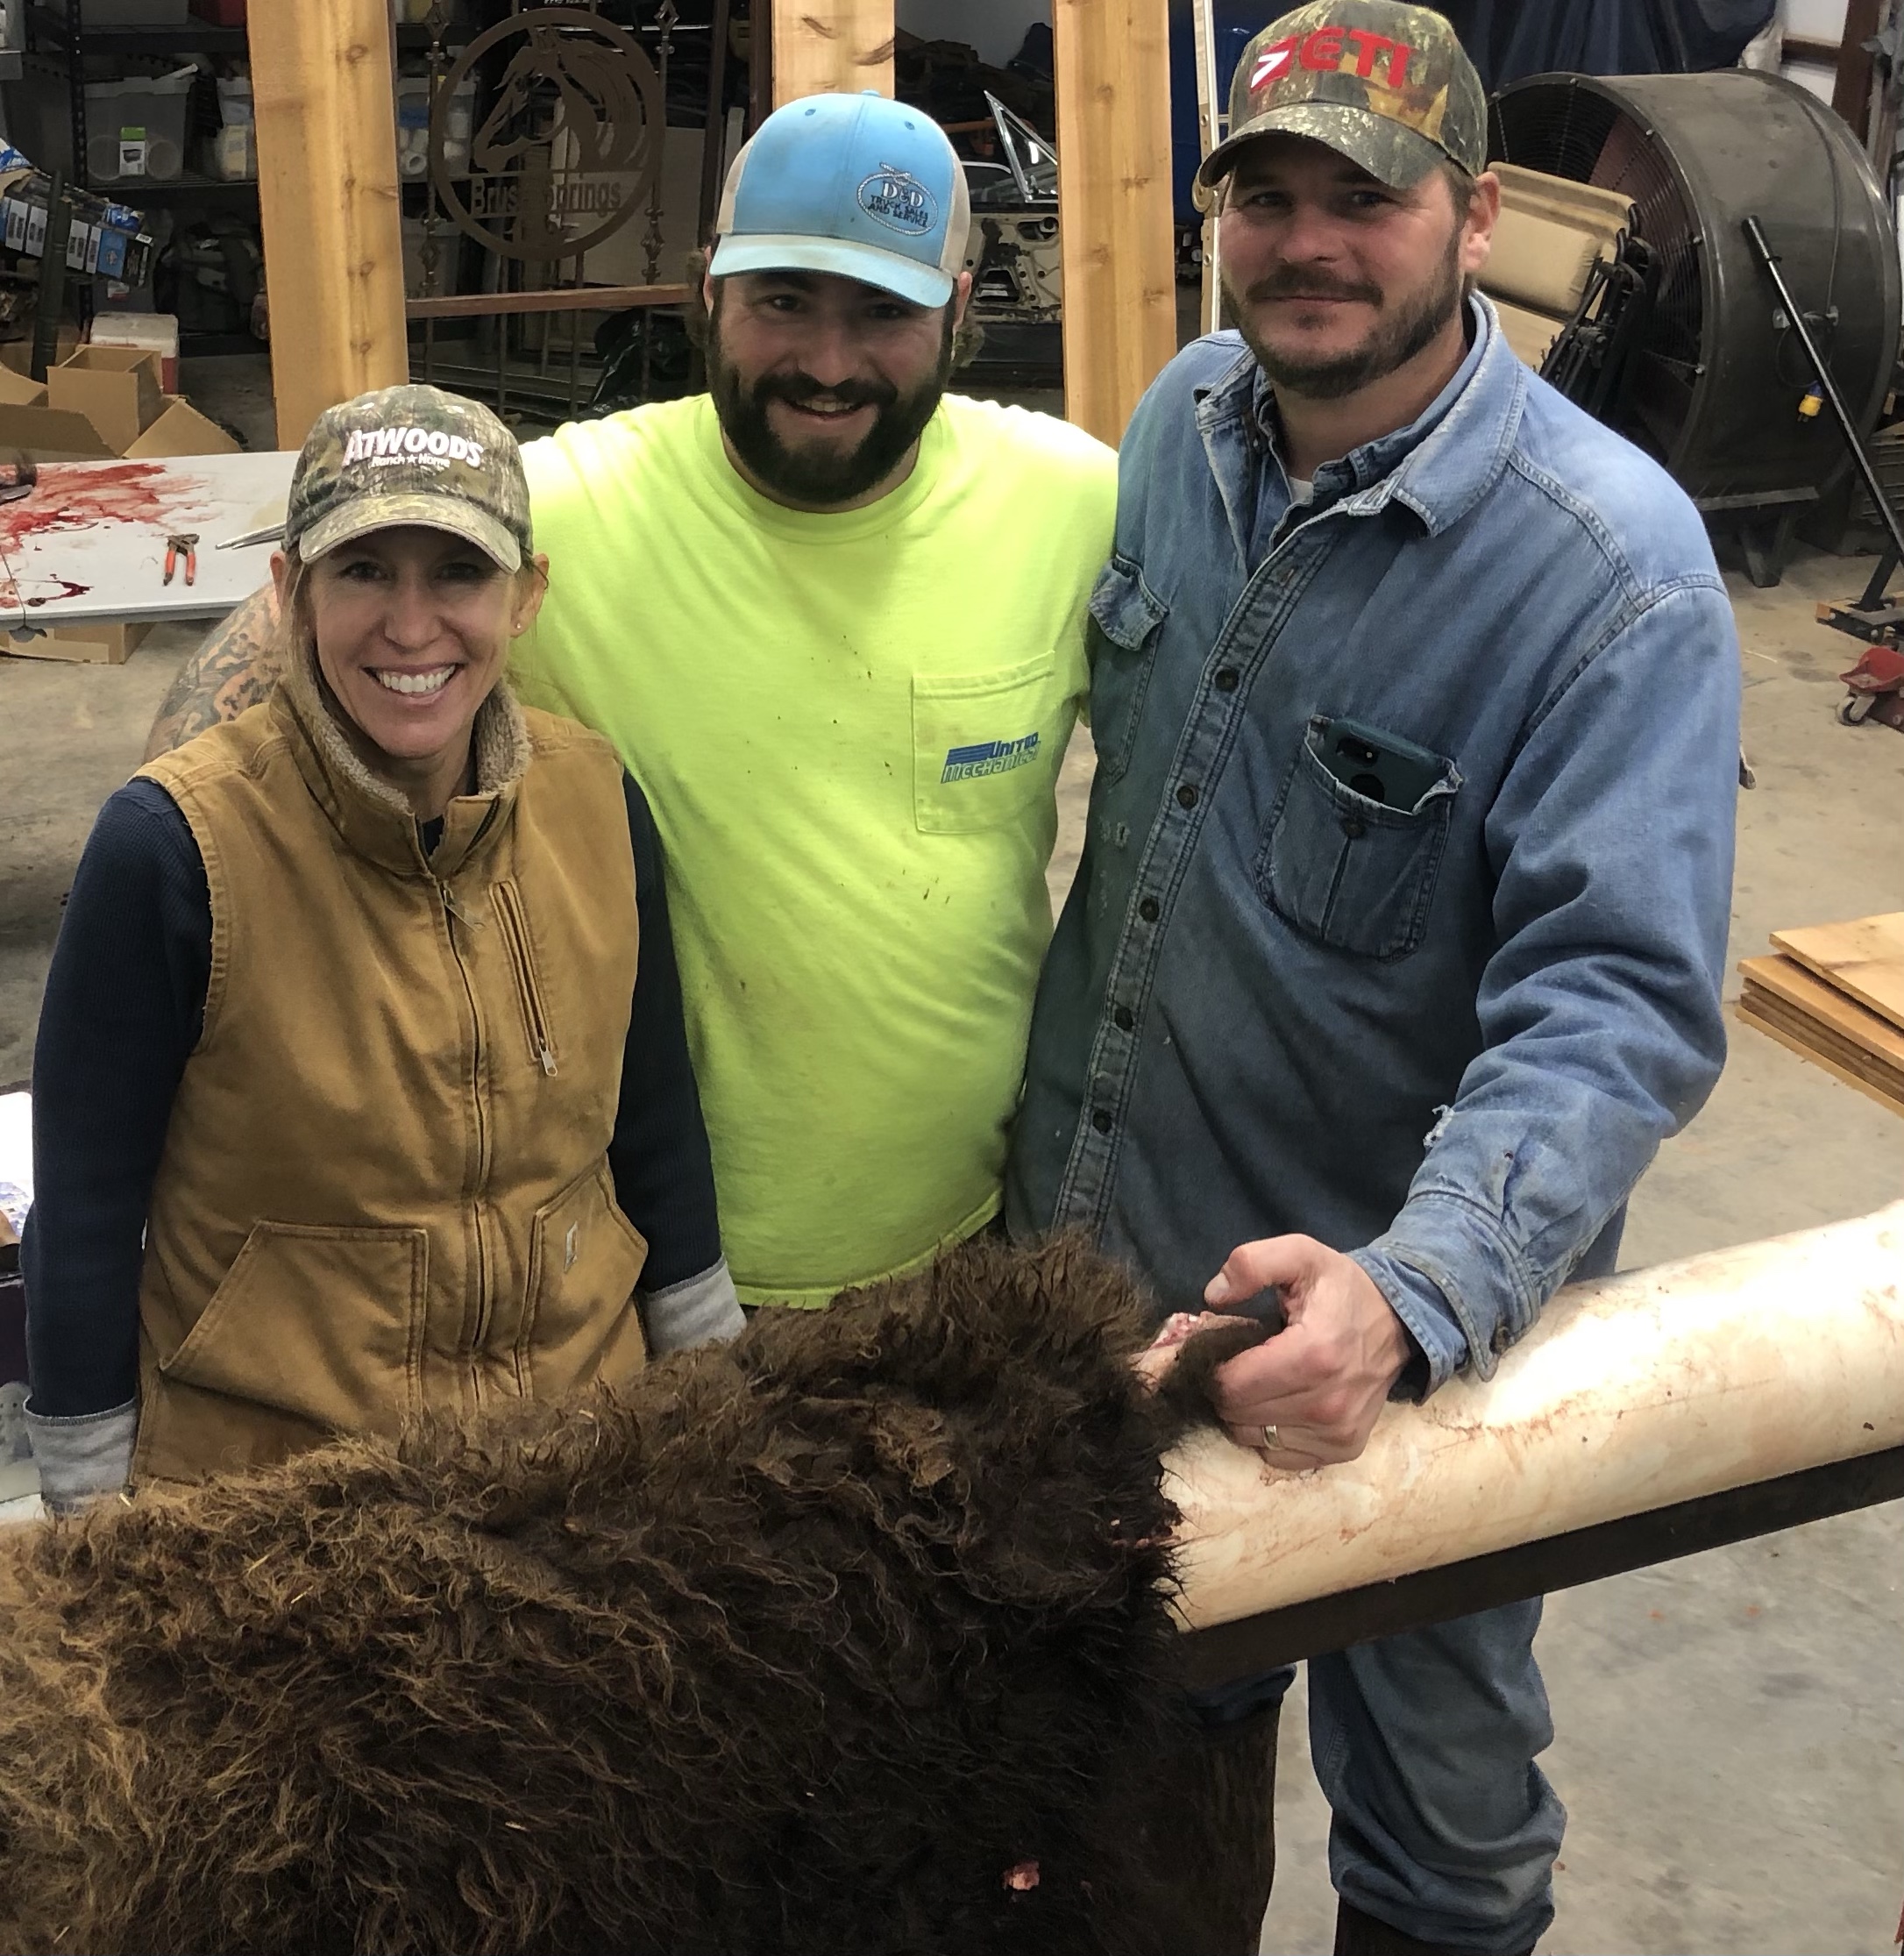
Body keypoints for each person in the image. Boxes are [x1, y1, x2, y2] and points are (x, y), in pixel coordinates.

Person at [1006, 4, 1741, 1952]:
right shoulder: (1179, 425)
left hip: (1410, 1337)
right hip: (1126, 1277)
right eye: (1266, 196)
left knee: (1441, 1821)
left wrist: (1410, 1295)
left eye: (1367, 197)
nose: (1308, 242)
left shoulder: (1611, 574)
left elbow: (1614, 1005)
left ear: (1477, 217)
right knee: (1141, 1744)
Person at [146, 92, 1118, 1312]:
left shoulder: (1072, 507)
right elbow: (266, 662)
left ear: (961, 311)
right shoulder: (573, 510)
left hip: (963, 1246)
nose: (828, 363)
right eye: (782, 302)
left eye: (883, 313)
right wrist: (173, 935)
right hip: (637, 1278)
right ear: (707, 290)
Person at [25, 386, 739, 1510]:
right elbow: (85, 1205)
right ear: (289, 592)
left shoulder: (597, 800)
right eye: (363, 570)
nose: (411, 627)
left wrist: (715, 1382)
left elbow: (654, 1120)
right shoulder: (174, 848)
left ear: (526, 595)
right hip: (279, 1503)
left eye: (458, 571)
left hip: (574, 1465)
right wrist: (85, 1504)